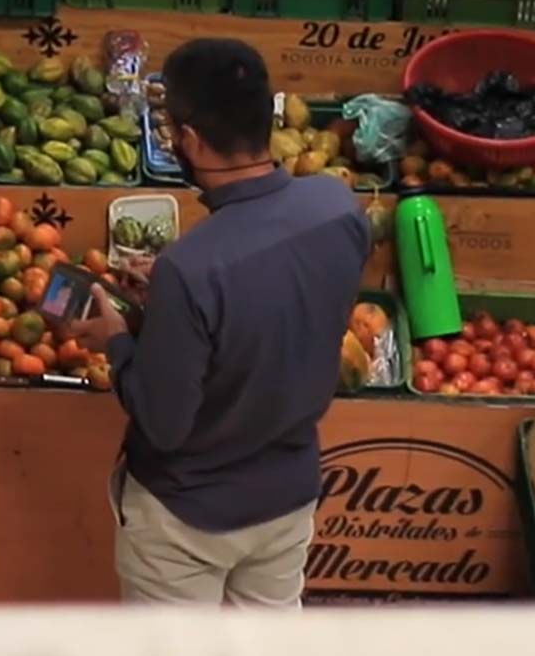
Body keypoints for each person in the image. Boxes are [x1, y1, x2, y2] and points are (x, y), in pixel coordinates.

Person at [68, 39, 371, 607]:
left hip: (187, 519)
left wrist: (117, 341)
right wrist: (177, 305)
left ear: (190, 140)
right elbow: (287, 308)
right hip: (288, 497)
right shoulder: (337, 208)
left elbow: (163, 423)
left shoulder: (193, 267)